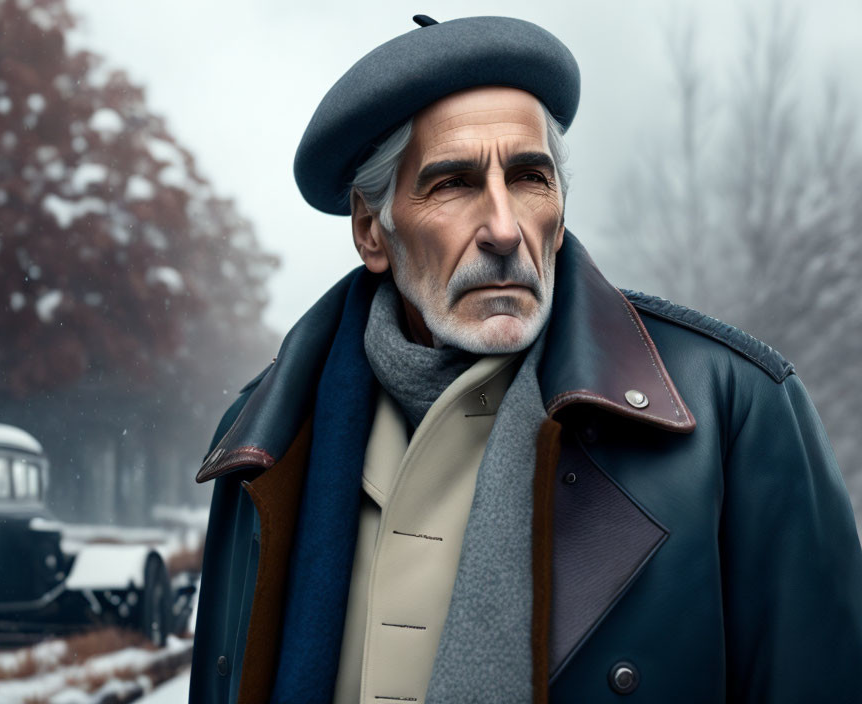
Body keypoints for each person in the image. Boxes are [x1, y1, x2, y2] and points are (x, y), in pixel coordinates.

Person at [189, 15, 862, 704]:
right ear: (372, 229)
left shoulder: (732, 408)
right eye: (452, 184)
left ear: (561, 211)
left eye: (530, 178)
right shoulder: (265, 439)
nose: (505, 230)